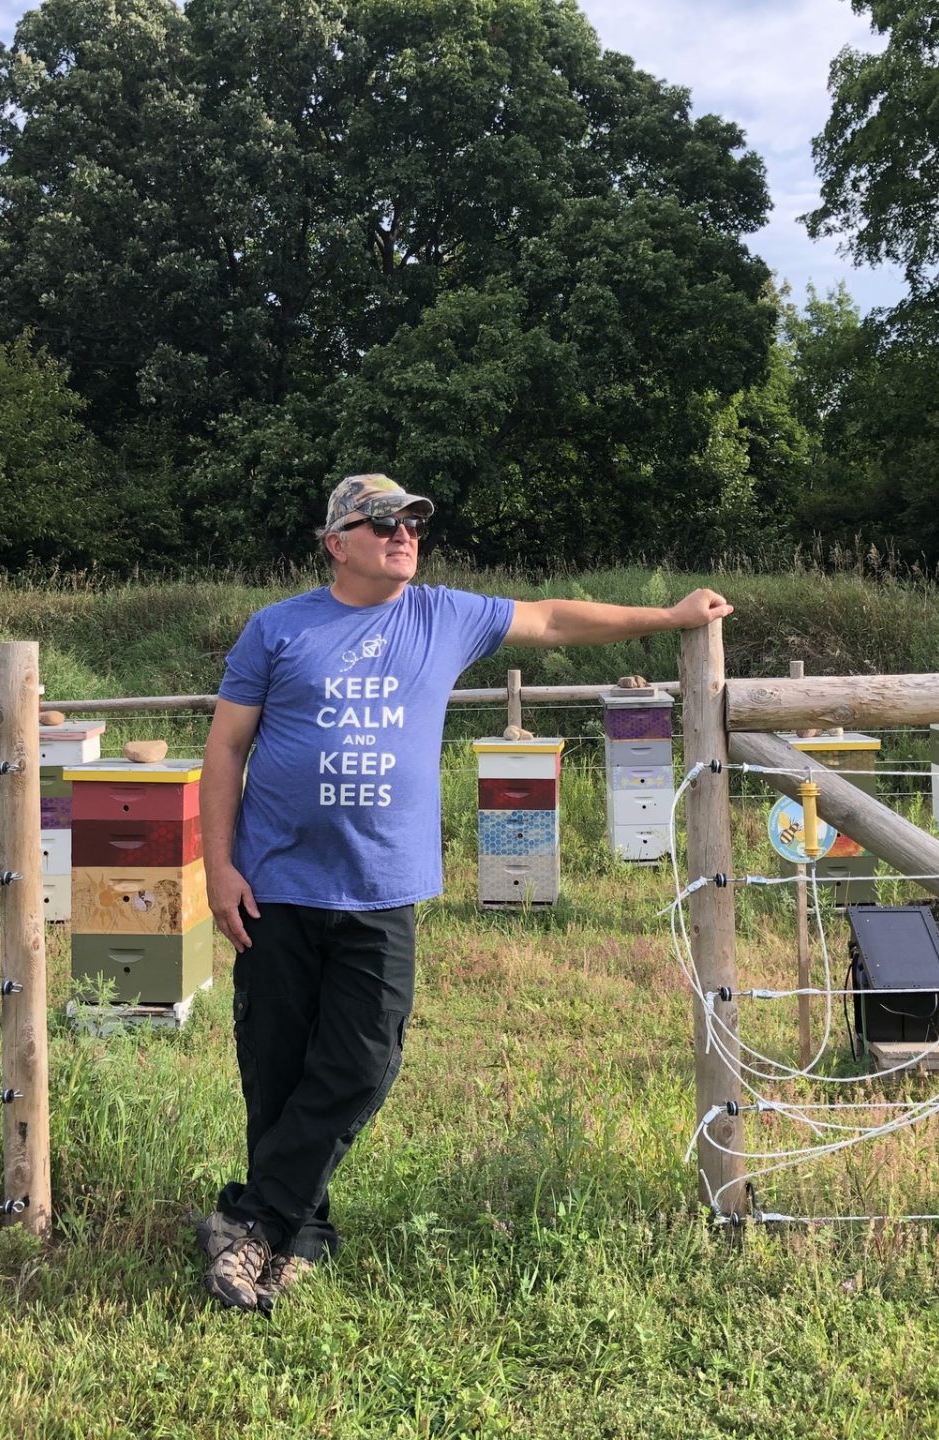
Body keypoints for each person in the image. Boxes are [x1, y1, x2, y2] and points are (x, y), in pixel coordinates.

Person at [195, 473, 733, 1311]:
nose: (403, 533)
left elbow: (553, 618)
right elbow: (226, 748)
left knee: (362, 1062)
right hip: (277, 885)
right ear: (337, 542)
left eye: (412, 521)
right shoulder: (278, 629)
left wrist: (666, 618)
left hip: (380, 888)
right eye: (382, 523)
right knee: (277, 1069)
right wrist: (217, 866)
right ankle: (294, 1240)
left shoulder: (442, 615)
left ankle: (253, 1218)